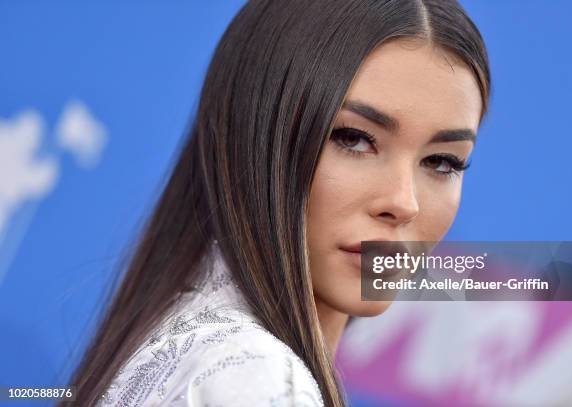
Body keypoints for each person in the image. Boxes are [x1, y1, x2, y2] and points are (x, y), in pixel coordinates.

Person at [61, 0, 490, 405]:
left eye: (442, 162)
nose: (404, 202)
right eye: (354, 139)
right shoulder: (253, 378)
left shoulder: (195, 344)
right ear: (255, 137)